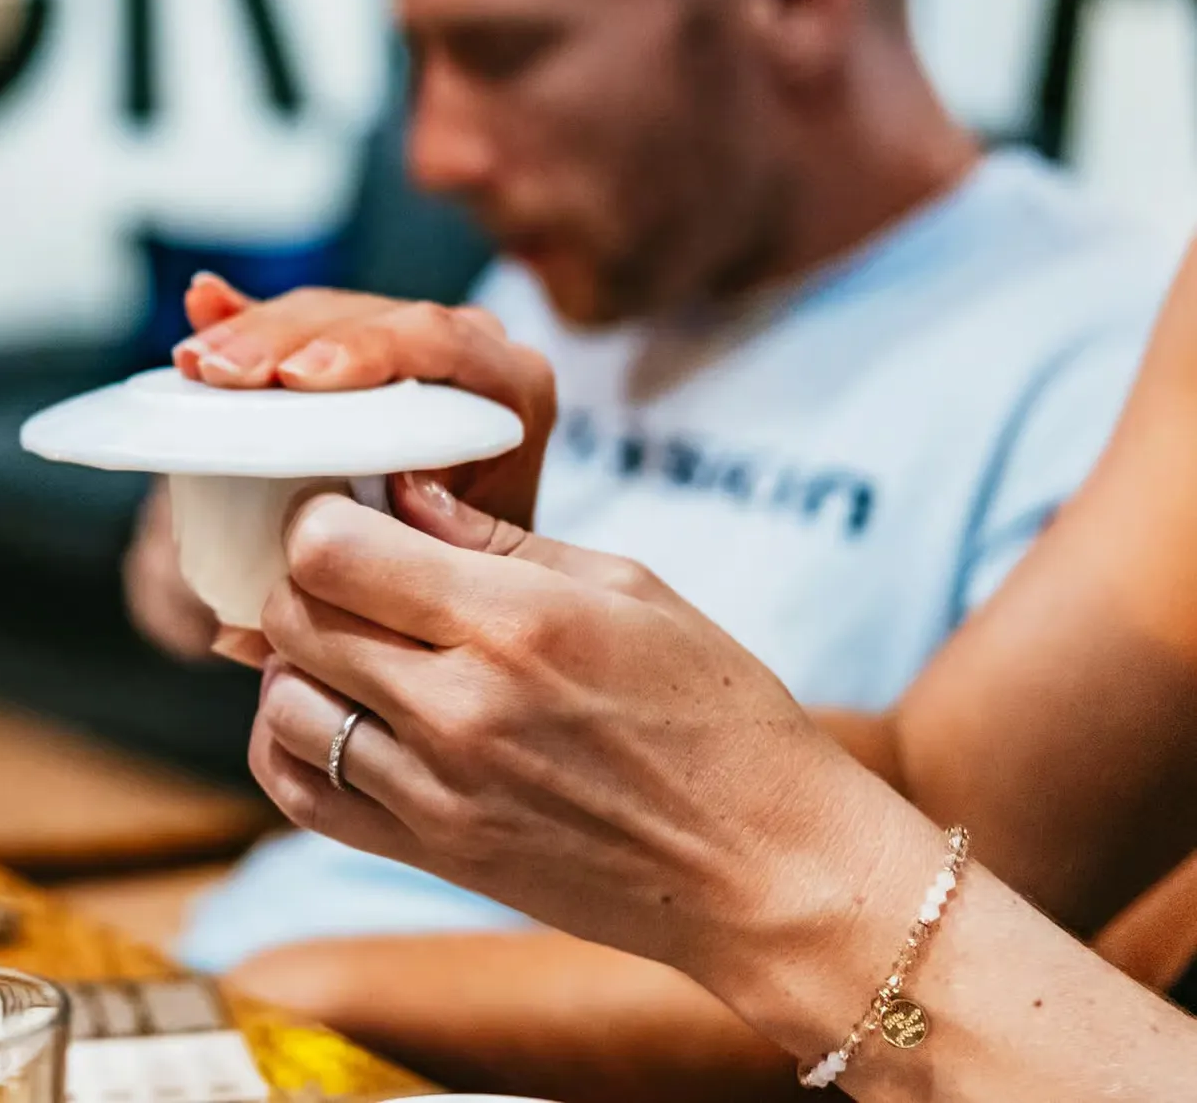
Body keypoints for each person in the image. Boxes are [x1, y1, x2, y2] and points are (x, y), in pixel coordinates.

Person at [136, 0, 1174, 1015]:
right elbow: (178, 600)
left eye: (505, 51)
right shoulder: (575, 266)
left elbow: (973, 948)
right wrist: (232, 513)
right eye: (421, 57)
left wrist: (300, 991)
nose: (433, 156)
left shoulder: (1107, 342)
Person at [239, 229, 1197, 1099]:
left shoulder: (1070, 314)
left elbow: (943, 901)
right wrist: (424, 621)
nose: (433, 157)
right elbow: (958, 801)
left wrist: (300, 982)